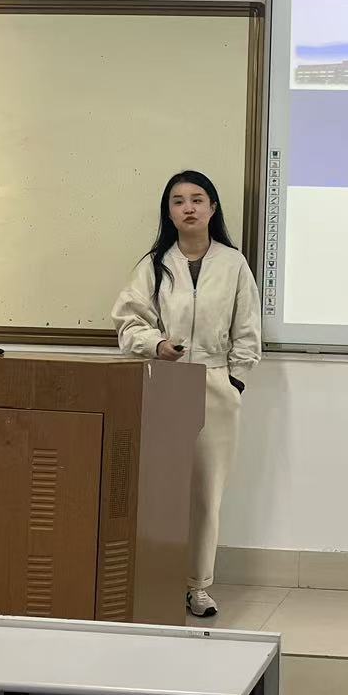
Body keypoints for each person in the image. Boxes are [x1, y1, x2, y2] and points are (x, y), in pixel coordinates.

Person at [112, 170, 261, 618]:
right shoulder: (154, 265)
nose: (188, 207)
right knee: (159, 491)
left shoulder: (233, 264)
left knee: (205, 494)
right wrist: (156, 344)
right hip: (165, 385)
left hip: (216, 386)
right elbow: (128, 322)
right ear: (169, 212)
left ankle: (198, 586)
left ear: (213, 208)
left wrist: (234, 381)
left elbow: (248, 332)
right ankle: (156, 579)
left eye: (197, 199)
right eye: (178, 201)